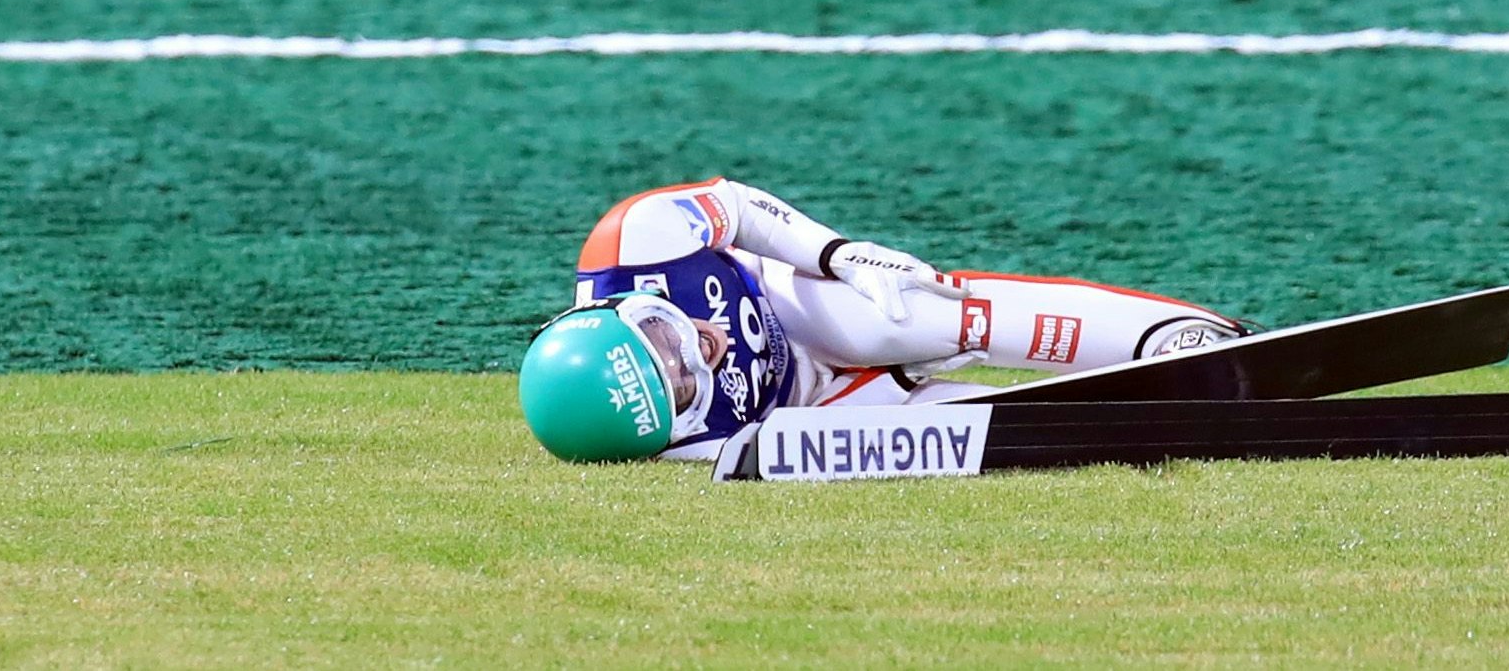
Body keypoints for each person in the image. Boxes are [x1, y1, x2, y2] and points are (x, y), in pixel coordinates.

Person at [518, 178, 1246, 462]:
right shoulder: (678, 448)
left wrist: (837, 254)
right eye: (681, 386)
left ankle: (1163, 335)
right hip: (801, 407)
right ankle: (1120, 411)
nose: (699, 350)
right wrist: (881, 401)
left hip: (789, 304)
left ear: (620, 305)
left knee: (902, 316)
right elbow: (777, 451)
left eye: (662, 333)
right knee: (952, 427)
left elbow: (734, 206)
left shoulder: (635, 238)